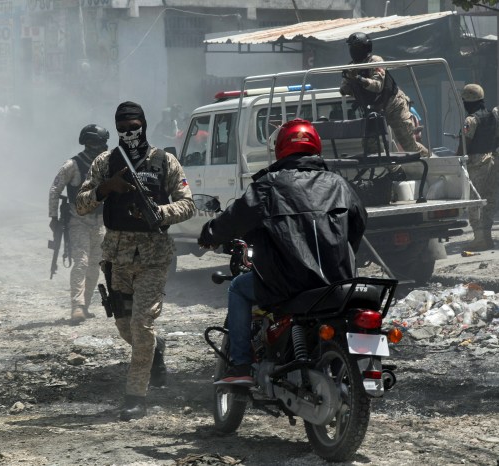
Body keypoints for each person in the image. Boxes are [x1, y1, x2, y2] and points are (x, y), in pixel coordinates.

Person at [197, 119, 367, 385]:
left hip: (287, 283)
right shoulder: (338, 184)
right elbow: (358, 225)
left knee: (238, 289)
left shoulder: (268, 185)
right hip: (337, 282)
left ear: (280, 148)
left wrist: (209, 234)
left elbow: (233, 220)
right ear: (316, 146)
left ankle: (240, 365)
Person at [76, 101, 196, 420]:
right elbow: (81, 204)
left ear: (143, 124)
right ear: (116, 128)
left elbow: (188, 204)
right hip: (116, 257)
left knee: (141, 326)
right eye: (123, 127)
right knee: (125, 328)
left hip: (154, 256)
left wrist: (161, 212)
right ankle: (155, 350)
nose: (129, 131)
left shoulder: (164, 161)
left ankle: (135, 397)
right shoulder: (105, 162)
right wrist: (106, 189)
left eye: (134, 125)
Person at [49, 124, 110, 324]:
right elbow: (55, 190)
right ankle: (77, 306)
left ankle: (85, 305)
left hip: (100, 222)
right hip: (78, 220)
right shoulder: (72, 165)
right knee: (81, 262)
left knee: (95, 264)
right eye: (99, 143)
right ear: (90, 143)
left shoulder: (106, 164)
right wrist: (53, 217)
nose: (103, 147)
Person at [339, 32, 429, 157]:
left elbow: (377, 86)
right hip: (376, 111)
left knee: (409, 145)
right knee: (371, 146)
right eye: (351, 48)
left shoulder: (374, 61)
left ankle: (430, 161)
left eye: (356, 48)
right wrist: (349, 80)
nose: (353, 51)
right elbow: (343, 90)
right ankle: (395, 171)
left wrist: (359, 79)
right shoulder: (351, 67)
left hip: (394, 106)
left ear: (365, 48)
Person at [457, 84, 499, 251]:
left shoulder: (470, 120)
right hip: (494, 161)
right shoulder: (493, 116)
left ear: (468, 101)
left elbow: (464, 146)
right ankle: (487, 237)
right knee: (489, 199)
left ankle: (479, 238)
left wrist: (455, 160)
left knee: (474, 201)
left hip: (477, 162)